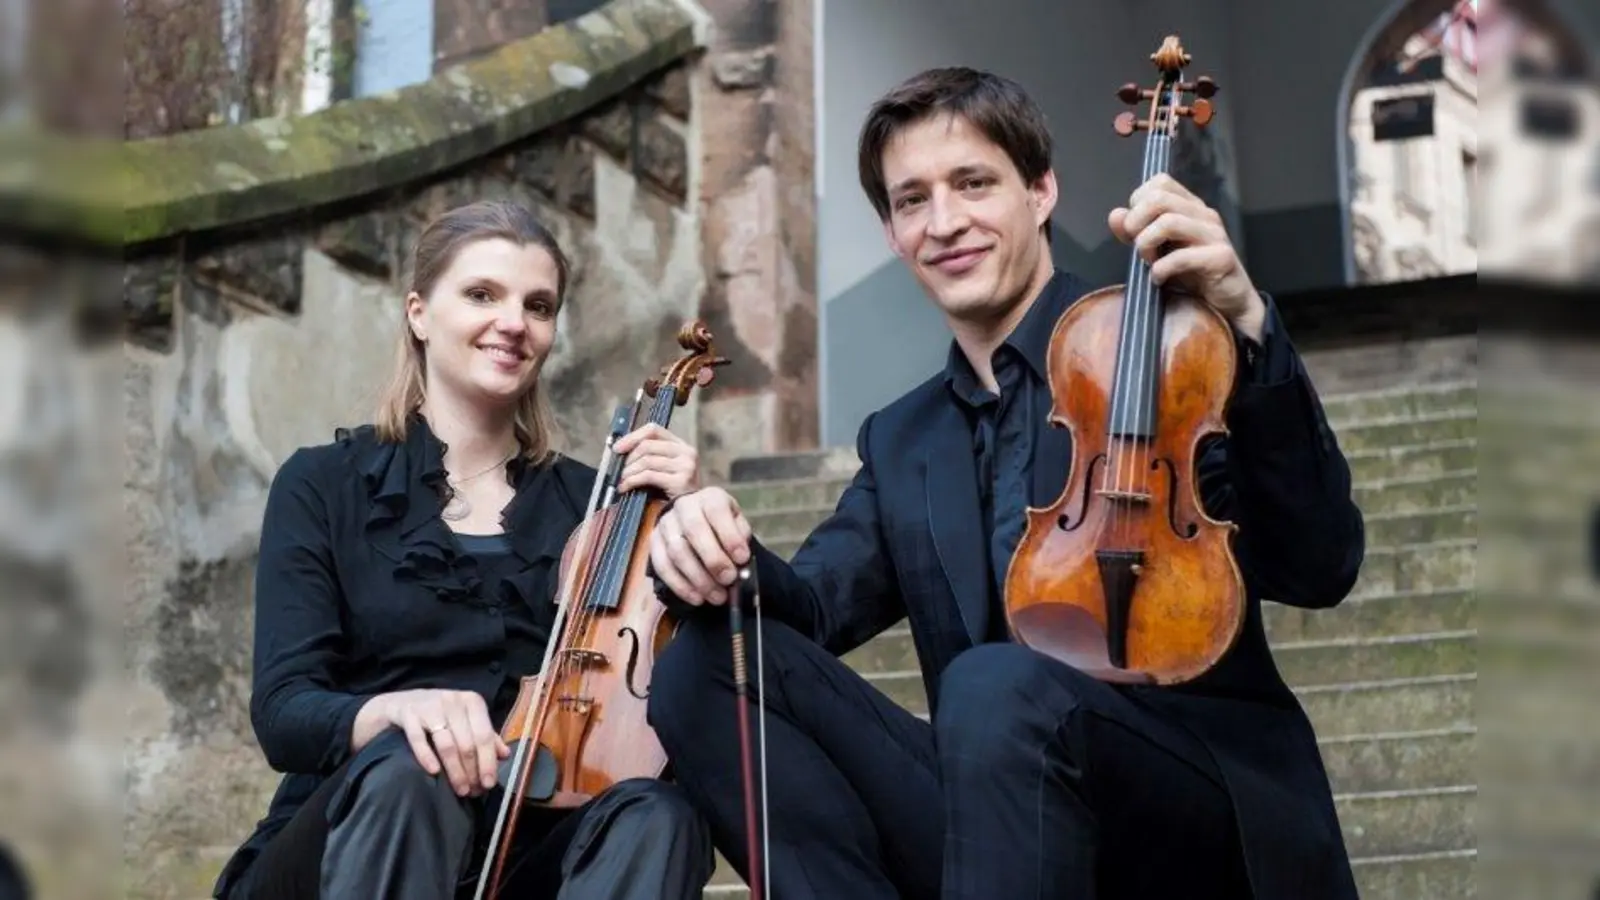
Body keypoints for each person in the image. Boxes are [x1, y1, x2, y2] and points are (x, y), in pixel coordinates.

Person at [644, 67, 1365, 900]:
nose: (945, 222)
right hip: (997, 828)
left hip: (1195, 817)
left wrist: (1247, 322)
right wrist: (710, 540)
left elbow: (1320, 565)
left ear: (1041, 190)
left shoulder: (1167, 355)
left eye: (973, 183)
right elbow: (808, 612)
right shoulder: (903, 439)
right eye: (911, 200)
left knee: (990, 682)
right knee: (702, 667)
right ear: (891, 233)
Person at [211, 200, 715, 900]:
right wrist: (393, 713)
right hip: (345, 846)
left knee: (658, 815)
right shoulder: (324, 484)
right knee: (415, 767)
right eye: (482, 294)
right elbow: (284, 711)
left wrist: (689, 517)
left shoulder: (598, 506)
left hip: (522, 858)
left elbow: (705, 680)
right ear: (419, 313)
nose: (514, 322)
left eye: (538, 306)